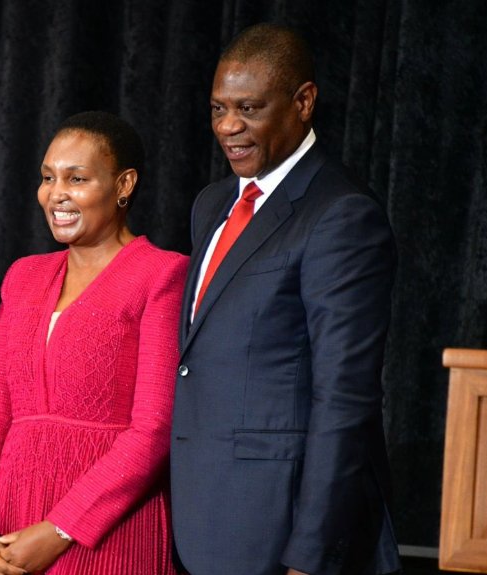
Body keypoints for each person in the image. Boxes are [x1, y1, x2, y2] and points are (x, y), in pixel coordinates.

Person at [170, 23, 401, 575]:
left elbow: (345, 400)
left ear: (303, 102)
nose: (229, 127)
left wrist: (311, 556)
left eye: (248, 108)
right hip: (198, 517)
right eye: (218, 108)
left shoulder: (341, 214)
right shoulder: (211, 204)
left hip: (279, 530)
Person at [0, 111, 187, 575]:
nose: (56, 194)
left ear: (124, 185)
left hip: (107, 532)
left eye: (76, 178)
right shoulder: (24, 276)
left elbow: (155, 430)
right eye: (47, 178)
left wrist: (61, 529)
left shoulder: (163, 274)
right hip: (7, 532)